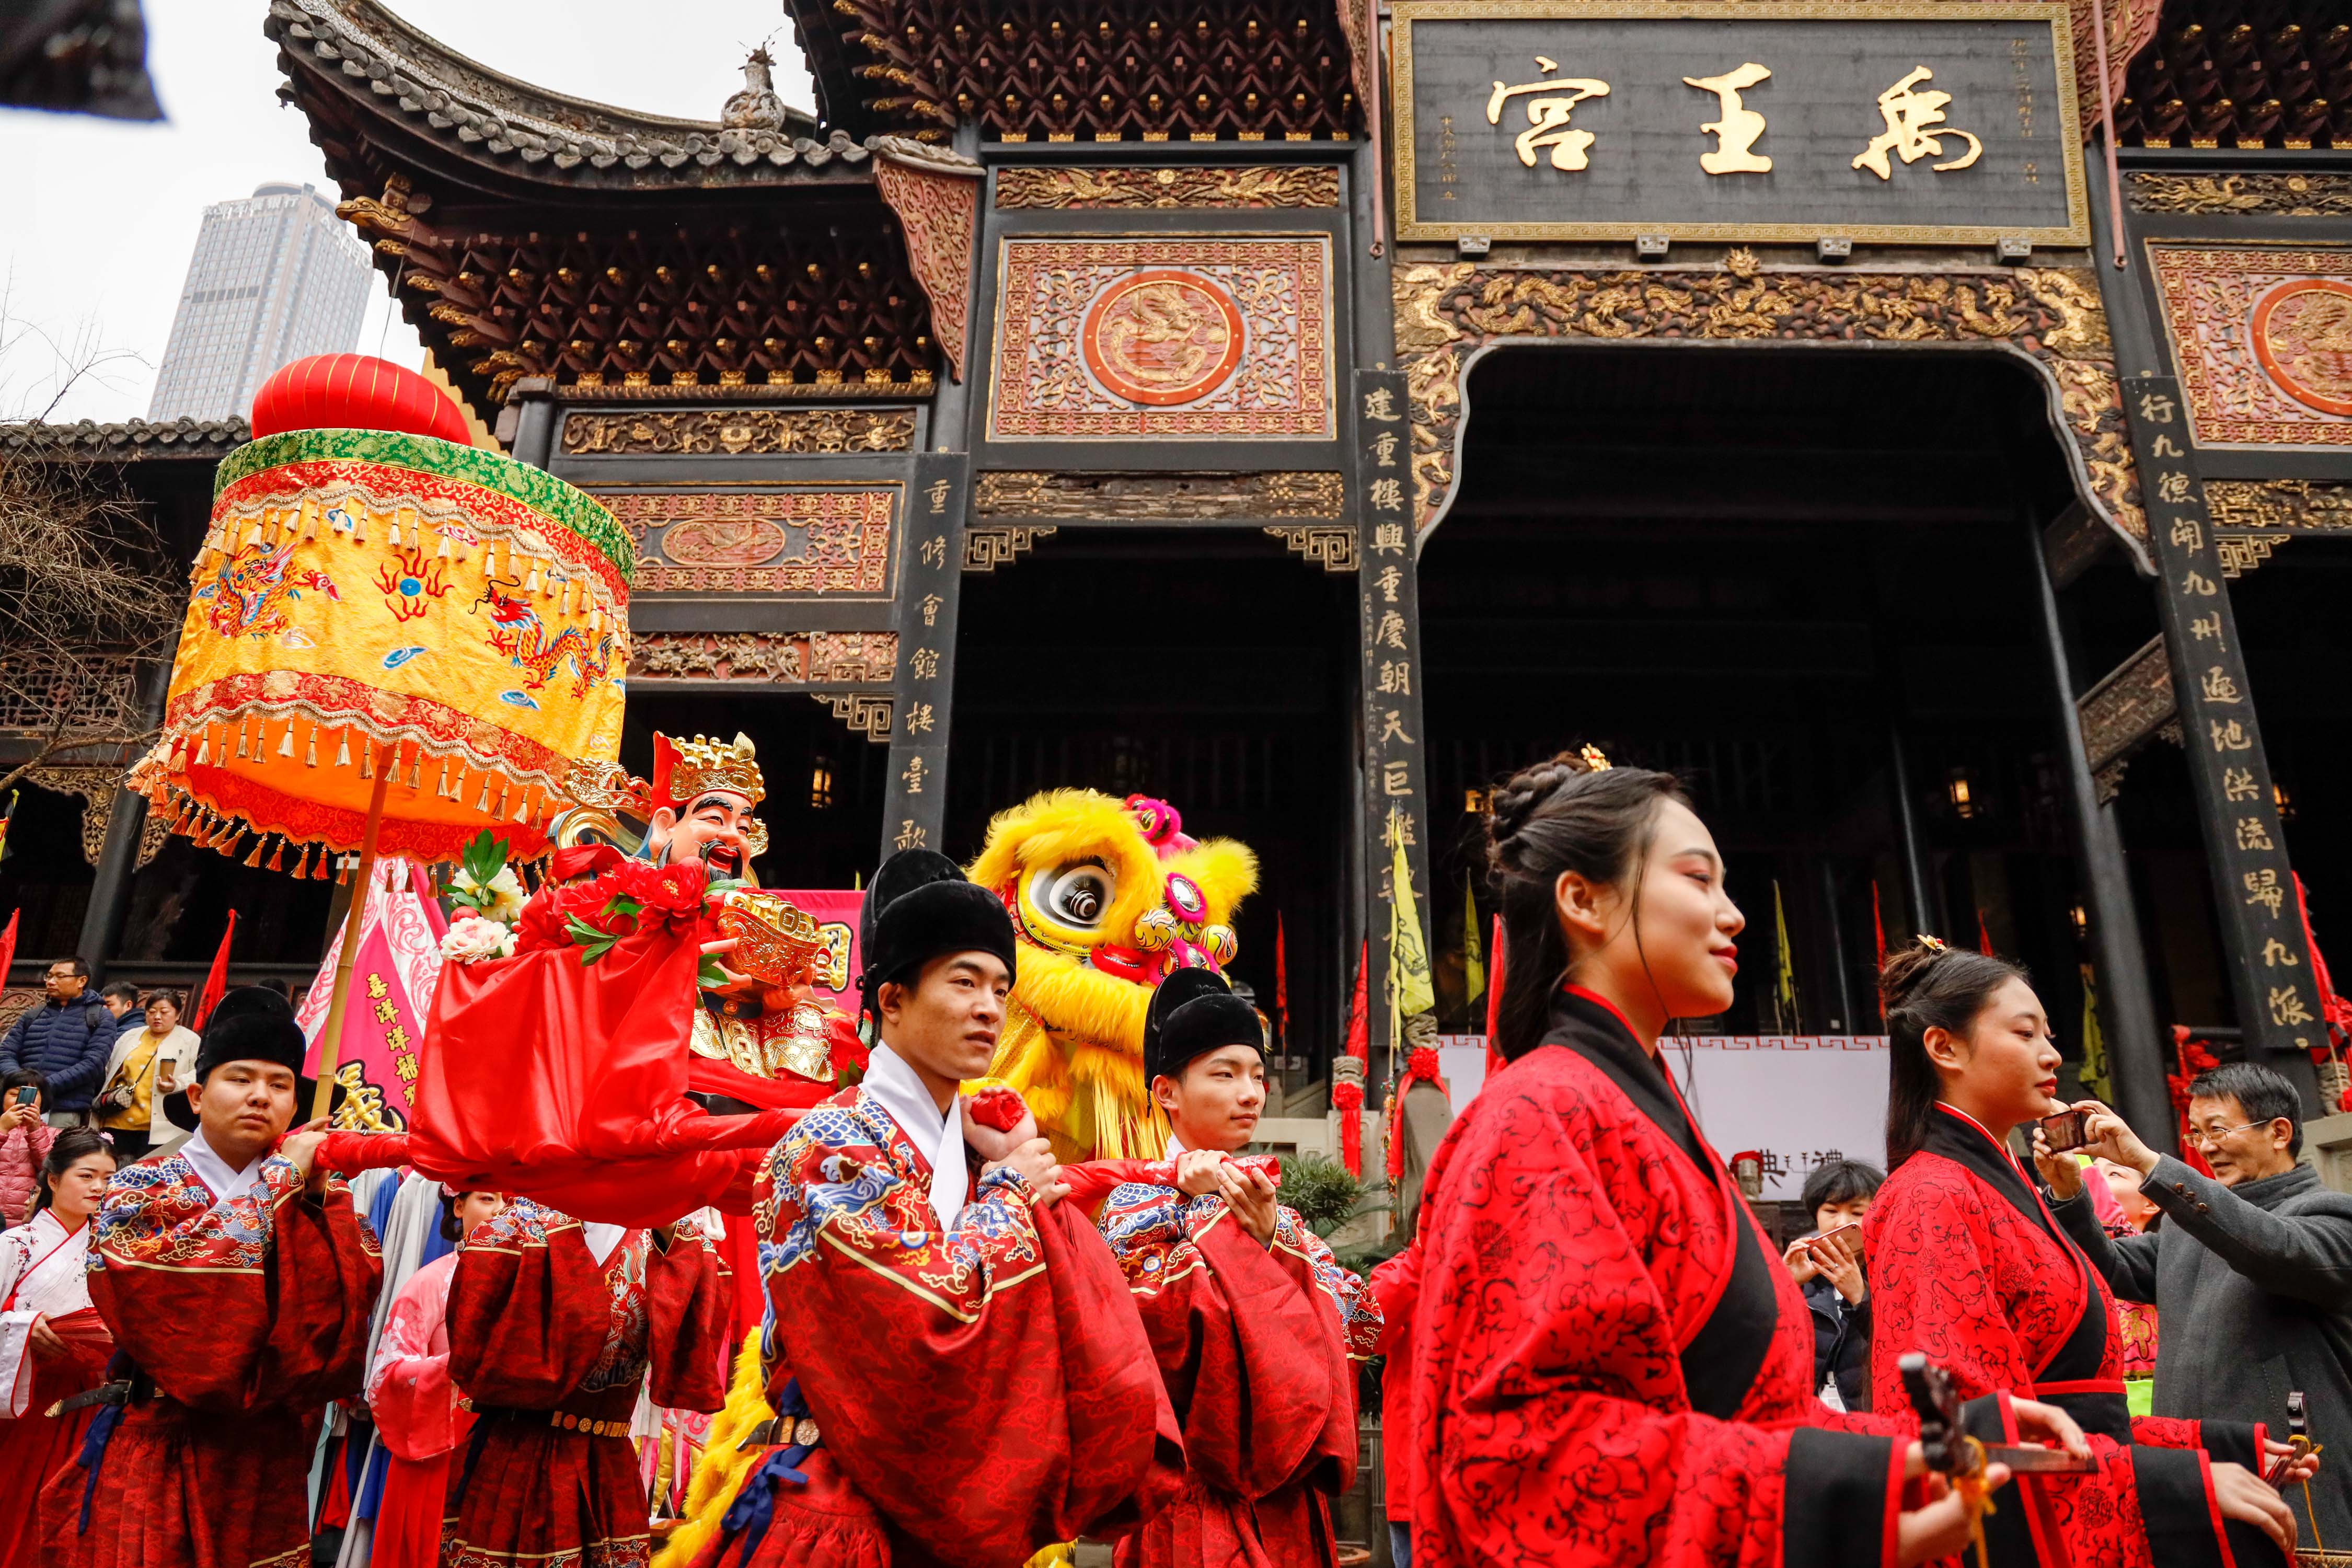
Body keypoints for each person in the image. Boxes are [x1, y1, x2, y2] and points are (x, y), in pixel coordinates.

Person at [1408, 752, 2091, 1568]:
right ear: (1583, 900)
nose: (1733, 915)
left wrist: (1944, 1443)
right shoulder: (1544, 1112)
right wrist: (1825, 1498)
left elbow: (1758, 1415)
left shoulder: (1621, 1111)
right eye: (1699, 881)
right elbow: (1525, 1452)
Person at [698, 848, 1182, 1566]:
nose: (990, 1007)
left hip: (960, 1517)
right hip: (840, 1510)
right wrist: (1017, 1191)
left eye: (1000, 988)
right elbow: (921, 1328)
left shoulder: (982, 1154)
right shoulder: (831, 1143)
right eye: (964, 982)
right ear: (892, 1000)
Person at [1863, 940, 2310, 1565]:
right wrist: (2180, 1479)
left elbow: (2074, 1410)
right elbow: (1958, 1426)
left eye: (2049, 1034)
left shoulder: (2003, 1187)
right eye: (2026, 1034)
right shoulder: (1931, 1194)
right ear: (1944, 1048)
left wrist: (2222, 1448)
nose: (2052, 1055)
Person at [39, 984, 382, 1568]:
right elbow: (161, 1298)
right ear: (197, 1095)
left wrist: (318, 1209)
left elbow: (349, 1307)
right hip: (162, 1435)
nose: (260, 1097)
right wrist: (278, 1188)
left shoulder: (322, 1196)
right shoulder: (141, 1185)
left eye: (279, 1086)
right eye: (240, 1079)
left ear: (296, 1107)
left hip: (268, 1448)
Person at [1092, 969, 1377, 1568]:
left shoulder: (1278, 1215)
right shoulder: (1133, 1204)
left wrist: (1273, 1240)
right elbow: (1145, 1344)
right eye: (1224, 1075)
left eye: (1257, 1075)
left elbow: (1357, 1324)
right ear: (1167, 1091)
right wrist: (1211, 1222)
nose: (1251, 1094)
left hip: (1289, 1507)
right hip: (1187, 1498)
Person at [2040, 1060, 2352, 1550]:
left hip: (2291, 1474)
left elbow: (2269, 1247)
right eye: (2197, 1133)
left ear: (2280, 1132)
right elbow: (2109, 1266)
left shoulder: (2332, 1216)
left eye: (2219, 1130)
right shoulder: (2187, 1229)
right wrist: (2069, 1192)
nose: (2206, 1146)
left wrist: (2150, 1165)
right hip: (2194, 1474)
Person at [440, 1182, 727, 1568]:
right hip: (521, 1455)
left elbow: (694, 1357)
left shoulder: (665, 1237)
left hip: (609, 1462)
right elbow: (471, 1349)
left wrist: (668, 1221)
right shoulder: (515, 1227)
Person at [364, 1187, 506, 1568]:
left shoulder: (528, 1283)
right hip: (441, 1449)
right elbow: (388, 1376)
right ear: (458, 1207)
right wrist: (462, 1365)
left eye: (510, 1200)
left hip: (506, 1451)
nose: (502, 1211)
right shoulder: (430, 1283)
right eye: (488, 1199)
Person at [0, 1129, 117, 1568]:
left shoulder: (111, 1252)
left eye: (108, 1178)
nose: (99, 1188)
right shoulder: (15, 1245)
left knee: (80, 1514)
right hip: (27, 1396)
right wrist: (21, 1326)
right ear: (52, 1179)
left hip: (93, 1397)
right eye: (87, 1175)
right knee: (18, 1500)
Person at [1782, 1157, 1882, 1412]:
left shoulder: (1890, 1271)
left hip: (1869, 1418)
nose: (1841, 1223)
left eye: (1857, 1213)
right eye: (1831, 1211)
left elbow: (1899, 1347)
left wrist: (1861, 1297)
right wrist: (1785, 1285)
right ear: (1815, 1213)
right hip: (1809, 1417)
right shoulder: (1796, 1265)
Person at [0, 960, 110, 1126]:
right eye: (49, 976)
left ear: (82, 981)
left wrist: (43, 1087)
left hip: (64, 1109)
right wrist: (22, 1082)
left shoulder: (99, 1016)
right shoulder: (34, 1014)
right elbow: (6, 1052)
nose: (51, 982)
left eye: (60, 977)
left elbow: (93, 1064)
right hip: (20, 1105)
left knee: (54, 1152)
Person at [94, 990, 197, 1163]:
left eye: (164, 1012)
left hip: (160, 1125)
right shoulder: (131, 1035)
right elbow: (109, 1066)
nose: (157, 1017)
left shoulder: (189, 1040)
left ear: (178, 1014)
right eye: (151, 1011)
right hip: (118, 1117)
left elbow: (198, 1074)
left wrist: (177, 1085)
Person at [0, 1073, 55, 1227]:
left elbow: (48, 1168)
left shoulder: (53, 1134)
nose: (21, 1100)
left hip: (26, 1219)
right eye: (14, 1094)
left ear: (43, 1100)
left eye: (32, 1094)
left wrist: (35, 1131)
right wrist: (2, 1128)